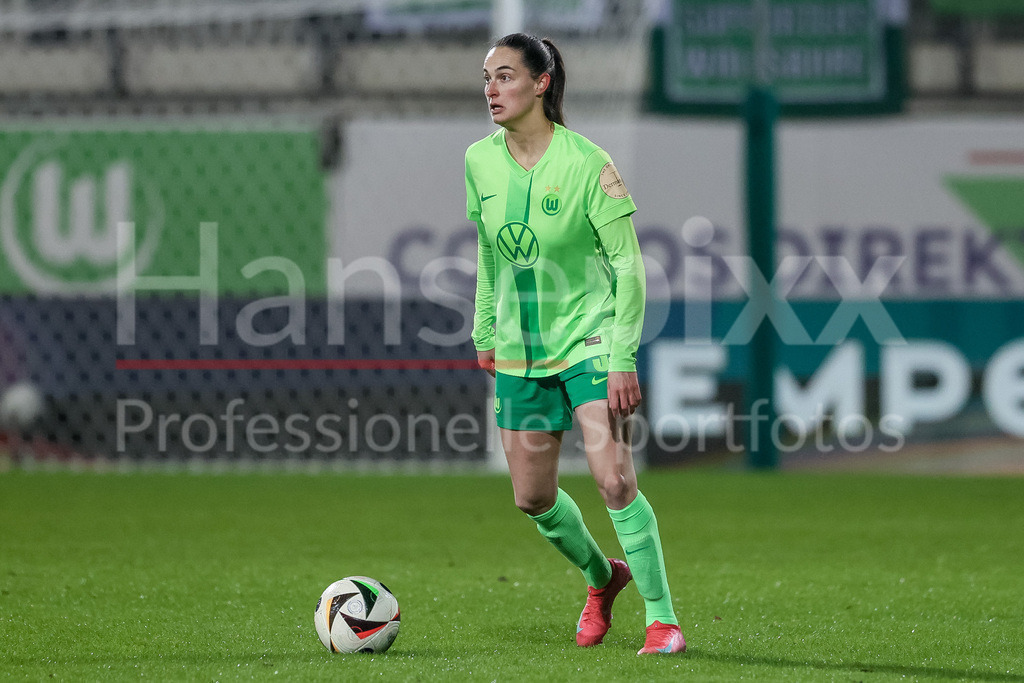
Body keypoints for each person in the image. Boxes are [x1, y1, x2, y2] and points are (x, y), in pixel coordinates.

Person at [465, 32, 685, 656]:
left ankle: (663, 621)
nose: (491, 89)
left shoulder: (589, 163)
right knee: (532, 498)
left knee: (614, 481)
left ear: (541, 83)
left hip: (590, 342)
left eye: (505, 76)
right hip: (519, 349)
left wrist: (622, 359)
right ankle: (601, 577)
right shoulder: (479, 161)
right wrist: (485, 330)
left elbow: (630, 268)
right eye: (486, 78)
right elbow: (488, 253)